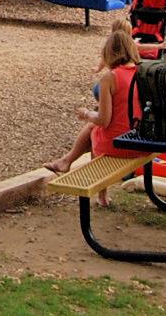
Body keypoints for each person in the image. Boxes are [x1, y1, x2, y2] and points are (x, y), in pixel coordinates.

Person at [43, 21, 145, 203]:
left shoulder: (110, 78)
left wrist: (87, 113)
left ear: (108, 53)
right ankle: (68, 163)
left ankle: (71, 165)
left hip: (119, 145)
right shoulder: (141, 72)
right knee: (95, 130)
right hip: (140, 142)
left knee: (94, 129)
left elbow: (103, 120)